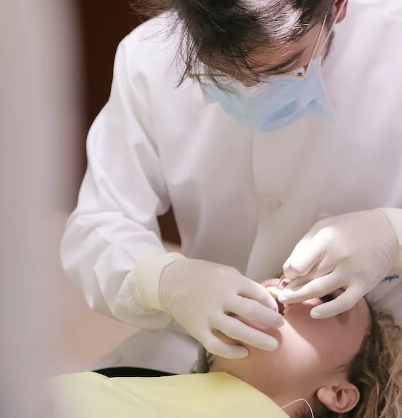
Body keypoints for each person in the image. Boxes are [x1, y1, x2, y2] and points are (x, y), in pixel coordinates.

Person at [60, 0, 402, 374]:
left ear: (337, 7)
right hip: (197, 345)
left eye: (284, 67)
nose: (252, 90)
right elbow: (99, 225)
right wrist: (165, 281)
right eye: (221, 73)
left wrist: (393, 236)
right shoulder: (151, 57)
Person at [48, 279, 402, 418]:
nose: (284, 286)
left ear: (339, 394)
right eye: (284, 276)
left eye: (328, 298)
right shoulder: (129, 382)